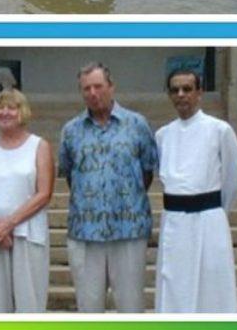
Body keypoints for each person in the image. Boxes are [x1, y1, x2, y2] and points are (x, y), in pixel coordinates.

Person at [58, 62, 158, 313]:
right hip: (85, 231)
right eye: (86, 88)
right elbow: (70, 173)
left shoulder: (137, 124)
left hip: (129, 228)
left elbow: (147, 171)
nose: (93, 93)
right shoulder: (71, 131)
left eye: (98, 86)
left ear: (111, 87)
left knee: (131, 306)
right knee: (89, 307)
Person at [154, 69, 237, 313]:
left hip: (209, 221)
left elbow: (234, 180)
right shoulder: (162, 136)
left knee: (212, 289)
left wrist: (214, 213)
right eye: (175, 90)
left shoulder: (219, 130)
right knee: (174, 287)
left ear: (199, 92)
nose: (181, 95)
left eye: (187, 89)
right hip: (174, 222)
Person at [0, 89, 54, 313]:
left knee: (30, 304)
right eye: (1, 107)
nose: (5, 112)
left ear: (22, 112)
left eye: (11, 107)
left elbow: (44, 193)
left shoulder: (39, 146)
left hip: (28, 234)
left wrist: (8, 225)